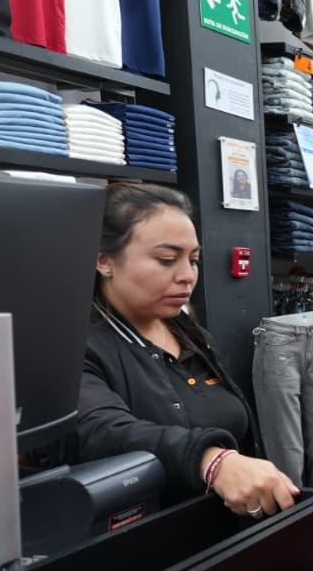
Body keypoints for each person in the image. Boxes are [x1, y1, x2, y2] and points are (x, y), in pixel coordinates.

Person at [75, 183, 298, 517]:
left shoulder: (188, 332)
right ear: (104, 261)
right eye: (166, 260)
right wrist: (210, 460)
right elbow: (101, 430)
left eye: (193, 260)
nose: (187, 276)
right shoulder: (78, 348)